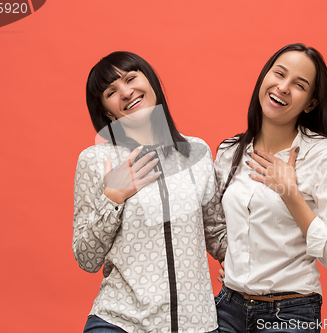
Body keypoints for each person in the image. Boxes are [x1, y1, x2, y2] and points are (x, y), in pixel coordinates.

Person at [73, 51, 226, 333]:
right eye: (111, 92)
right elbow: (86, 257)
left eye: (131, 78)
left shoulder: (197, 152)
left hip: (197, 324)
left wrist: (241, 263)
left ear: (151, 83)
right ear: (108, 111)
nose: (127, 92)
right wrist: (113, 197)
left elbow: (216, 233)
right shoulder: (95, 160)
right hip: (120, 322)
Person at [213, 43, 327, 332]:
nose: (282, 87)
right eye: (278, 74)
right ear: (264, 77)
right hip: (228, 309)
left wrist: (289, 193)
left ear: (311, 103)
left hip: (290, 313)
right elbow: (218, 225)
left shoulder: (325, 157)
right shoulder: (230, 152)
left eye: (299, 85)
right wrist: (237, 263)